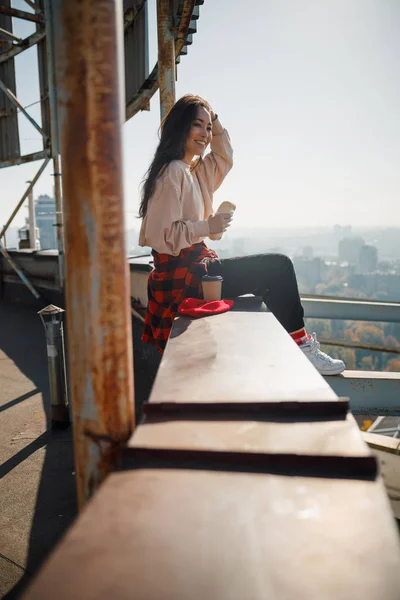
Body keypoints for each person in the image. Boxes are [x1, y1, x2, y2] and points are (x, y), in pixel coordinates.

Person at [139, 94, 345, 375]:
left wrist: (215, 116)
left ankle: (293, 348)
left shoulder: (195, 171)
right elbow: (162, 236)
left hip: (195, 270)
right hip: (185, 276)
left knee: (270, 279)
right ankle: (301, 347)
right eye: (197, 125)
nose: (206, 134)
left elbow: (225, 156)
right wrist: (207, 227)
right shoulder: (172, 172)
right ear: (181, 126)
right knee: (279, 267)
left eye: (208, 128)